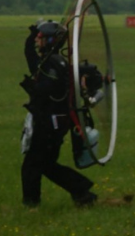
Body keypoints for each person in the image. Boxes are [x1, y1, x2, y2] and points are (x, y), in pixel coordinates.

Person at [20, 20, 97, 208]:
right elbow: (31, 57)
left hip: (49, 124)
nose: (38, 41)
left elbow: (48, 87)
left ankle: (31, 205)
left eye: (40, 37)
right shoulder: (50, 61)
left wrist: (34, 88)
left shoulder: (53, 64)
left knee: (31, 165)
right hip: (53, 123)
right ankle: (82, 192)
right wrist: (31, 35)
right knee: (46, 164)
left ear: (50, 40)